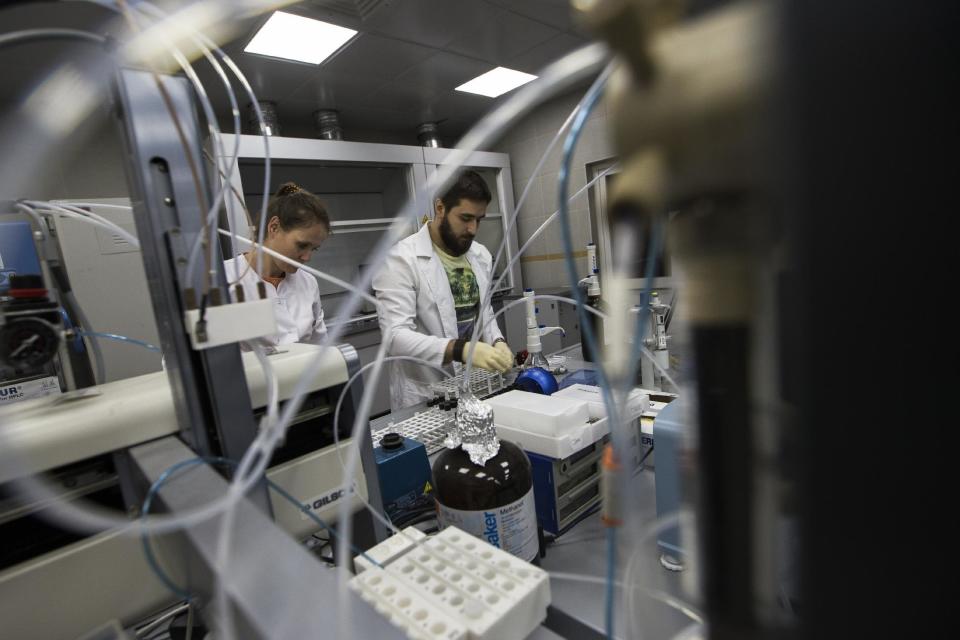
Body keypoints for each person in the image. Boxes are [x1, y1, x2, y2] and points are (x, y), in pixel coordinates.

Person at [373, 170, 513, 411]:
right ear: (440, 208)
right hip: (425, 395)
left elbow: (484, 312)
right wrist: (460, 349)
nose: (473, 229)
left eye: (479, 219)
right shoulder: (401, 260)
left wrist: (497, 341)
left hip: (476, 386)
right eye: (465, 217)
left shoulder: (480, 255)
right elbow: (395, 337)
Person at [224, 182, 331, 347]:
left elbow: (321, 346)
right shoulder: (225, 280)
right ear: (274, 227)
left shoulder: (308, 283)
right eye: (302, 245)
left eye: (314, 249)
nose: (307, 257)